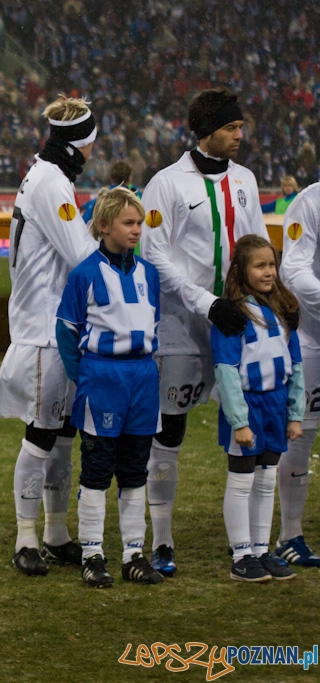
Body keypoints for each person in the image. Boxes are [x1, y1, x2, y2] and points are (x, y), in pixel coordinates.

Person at [140, 87, 271, 577]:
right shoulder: (167, 184)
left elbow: (255, 245)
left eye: (240, 127)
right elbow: (155, 255)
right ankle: (163, 538)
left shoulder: (246, 180)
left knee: (249, 426)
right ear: (208, 130)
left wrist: (256, 304)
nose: (241, 135)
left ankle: (251, 541)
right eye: (233, 128)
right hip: (182, 327)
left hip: (237, 324)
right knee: (168, 432)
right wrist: (205, 302)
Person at [0, 94, 99, 576]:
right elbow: (82, 257)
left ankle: (55, 532)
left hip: (52, 324)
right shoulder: (53, 183)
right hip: (44, 327)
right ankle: (24, 538)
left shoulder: (42, 173)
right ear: (82, 145)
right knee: (41, 436)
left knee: (61, 436)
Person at [56, 187, 164, 588]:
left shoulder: (149, 274)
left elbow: (153, 323)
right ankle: (92, 554)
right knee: (98, 469)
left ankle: (134, 554)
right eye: (129, 223)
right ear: (104, 226)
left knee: (136, 469)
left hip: (142, 378)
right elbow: (67, 331)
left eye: (140, 223)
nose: (138, 230)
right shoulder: (84, 273)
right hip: (102, 377)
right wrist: (83, 375)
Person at [211, 235, 303, 582]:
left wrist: (295, 414)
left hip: (276, 406)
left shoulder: (282, 310)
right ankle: (241, 554)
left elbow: (295, 365)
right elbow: (226, 371)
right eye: (260, 265)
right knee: (241, 480)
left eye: (272, 265)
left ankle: (262, 550)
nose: (269, 272)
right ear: (241, 270)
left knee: (266, 481)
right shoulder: (232, 316)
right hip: (248, 407)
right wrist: (239, 421)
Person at [276, 181, 320, 567]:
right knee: (301, 433)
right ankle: (290, 534)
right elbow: (293, 269)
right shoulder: (309, 203)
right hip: (312, 340)